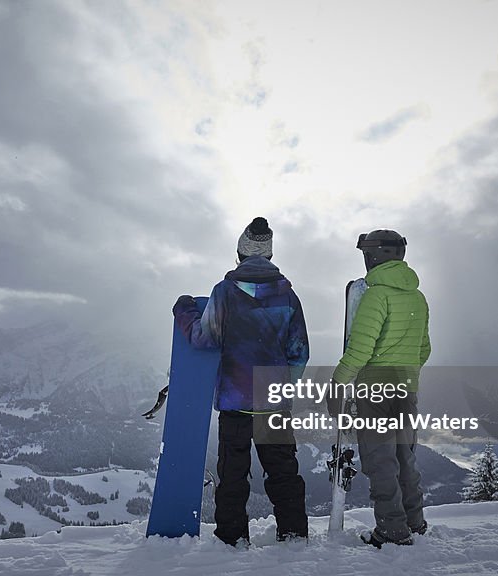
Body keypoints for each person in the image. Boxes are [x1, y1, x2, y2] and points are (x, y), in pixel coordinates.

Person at [173, 217, 310, 546]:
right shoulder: (287, 296)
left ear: (240, 253)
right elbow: (299, 353)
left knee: (233, 473)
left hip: (236, 402)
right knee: (282, 470)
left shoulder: (225, 293)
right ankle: (293, 534)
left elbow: (203, 339)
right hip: (273, 403)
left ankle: (233, 538)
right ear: (270, 255)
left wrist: (184, 311)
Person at [327, 229, 431, 547]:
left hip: (375, 390)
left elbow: (360, 350)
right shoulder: (417, 297)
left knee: (380, 460)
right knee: (404, 457)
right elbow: (424, 349)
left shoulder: (376, 295)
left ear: (373, 256)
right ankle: (414, 522)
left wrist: (337, 386)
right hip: (406, 389)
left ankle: (392, 530)